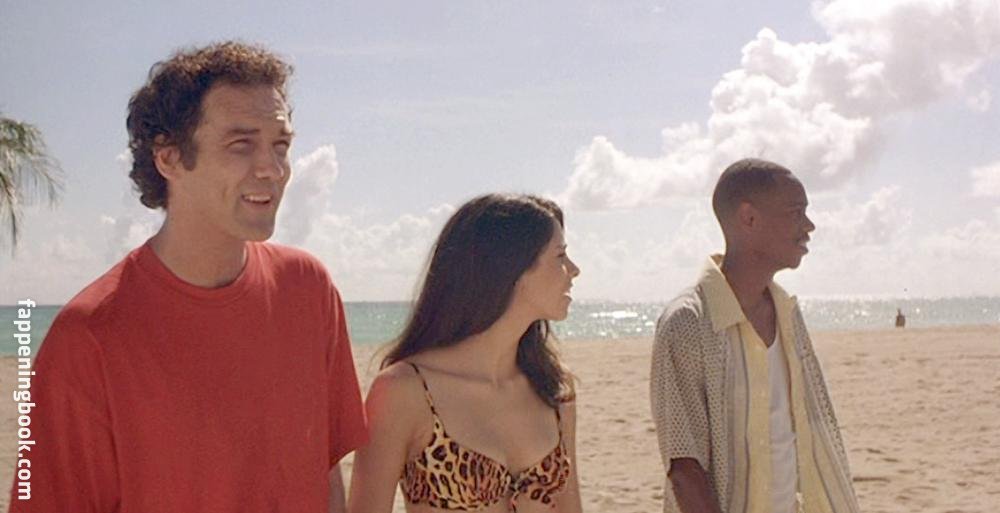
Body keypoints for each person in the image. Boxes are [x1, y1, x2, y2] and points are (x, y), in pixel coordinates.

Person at [10, 42, 367, 513]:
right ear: (170, 159)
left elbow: (324, 476)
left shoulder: (308, 290)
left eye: (280, 145)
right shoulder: (88, 337)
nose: (273, 168)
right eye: (242, 144)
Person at [347, 194, 584, 513]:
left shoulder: (554, 388)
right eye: (560, 256)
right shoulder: (405, 390)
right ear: (511, 269)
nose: (574, 270)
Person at [650, 158, 860, 513]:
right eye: (796, 212)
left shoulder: (787, 313)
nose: (809, 226)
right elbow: (684, 468)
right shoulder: (687, 322)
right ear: (748, 218)